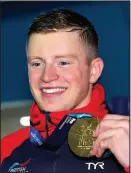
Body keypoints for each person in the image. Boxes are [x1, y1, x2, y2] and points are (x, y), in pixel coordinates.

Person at [0, 9, 129, 172]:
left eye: (63, 63)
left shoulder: (125, 139)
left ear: (94, 70)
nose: (47, 76)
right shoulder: (7, 148)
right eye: (37, 64)